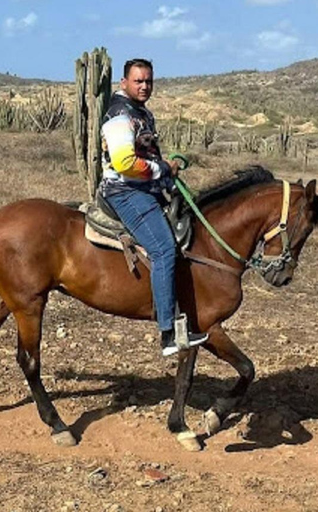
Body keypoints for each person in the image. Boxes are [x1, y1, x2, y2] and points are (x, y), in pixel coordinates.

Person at [98, 58, 208, 357]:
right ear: (124, 83)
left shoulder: (142, 112)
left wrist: (167, 176)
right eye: (138, 81)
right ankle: (168, 333)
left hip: (146, 188)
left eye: (148, 81)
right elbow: (124, 163)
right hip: (125, 191)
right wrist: (164, 169)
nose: (144, 86)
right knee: (163, 249)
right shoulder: (120, 115)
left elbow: (146, 153)